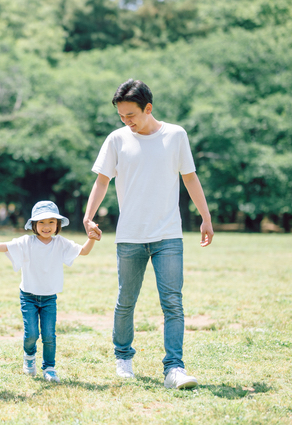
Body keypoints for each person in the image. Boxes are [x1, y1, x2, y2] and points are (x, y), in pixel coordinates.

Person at [82, 79, 214, 389]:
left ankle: (175, 368)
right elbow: (102, 181)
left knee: (173, 302)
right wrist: (88, 217)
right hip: (130, 235)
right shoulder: (117, 140)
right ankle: (123, 356)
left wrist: (206, 217)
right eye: (121, 116)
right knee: (126, 300)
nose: (126, 121)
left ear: (148, 108)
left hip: (168, 234)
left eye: (131, 115)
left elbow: (190, 178)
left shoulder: (175, 135)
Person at [0, 201, 97, 383]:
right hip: (28, 296)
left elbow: (84, 251)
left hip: (49, 298)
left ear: (57, 225)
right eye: (41, 222)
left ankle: (49, 367)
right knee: (31, 333)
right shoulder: (27, 241)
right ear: (33, 225)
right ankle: (29, 356)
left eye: (51, 222)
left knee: (49, 335)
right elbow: (7, 246)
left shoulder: (61, 243)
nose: (46, 226)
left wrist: (92, 237)